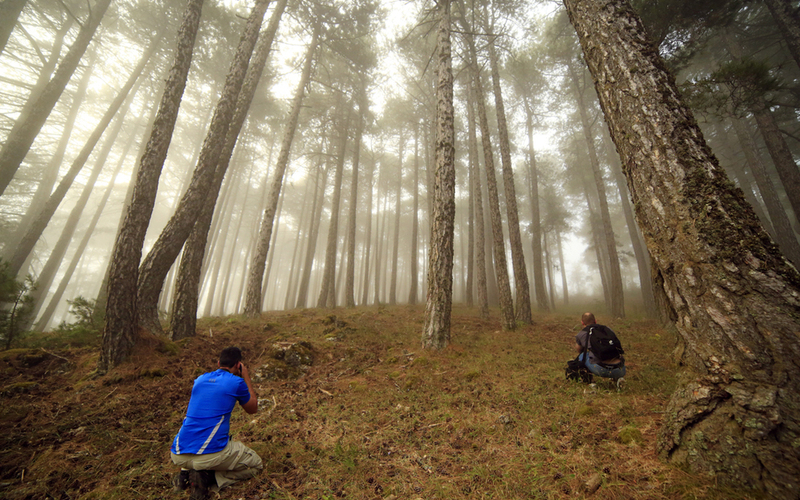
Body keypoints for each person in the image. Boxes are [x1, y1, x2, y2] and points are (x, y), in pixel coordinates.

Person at [170, 346, 262, 500]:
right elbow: (252, 408)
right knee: (256, 465)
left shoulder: (199, 380)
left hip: (178, 453)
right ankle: (209, 479)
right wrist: (246, 377)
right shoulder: (236, 382)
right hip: (210, 454)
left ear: (219, 362)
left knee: (196, 429)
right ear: (238, 365)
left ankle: (184, 474)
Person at [574, 312, 626, 389]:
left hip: (600, 369)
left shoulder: (582, 333)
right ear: (595, 321)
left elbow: (579, 349)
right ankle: (617, 379)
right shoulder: (607, 329)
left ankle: (590, 381)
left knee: (582, 355)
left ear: (582, 322)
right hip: (621, 369)